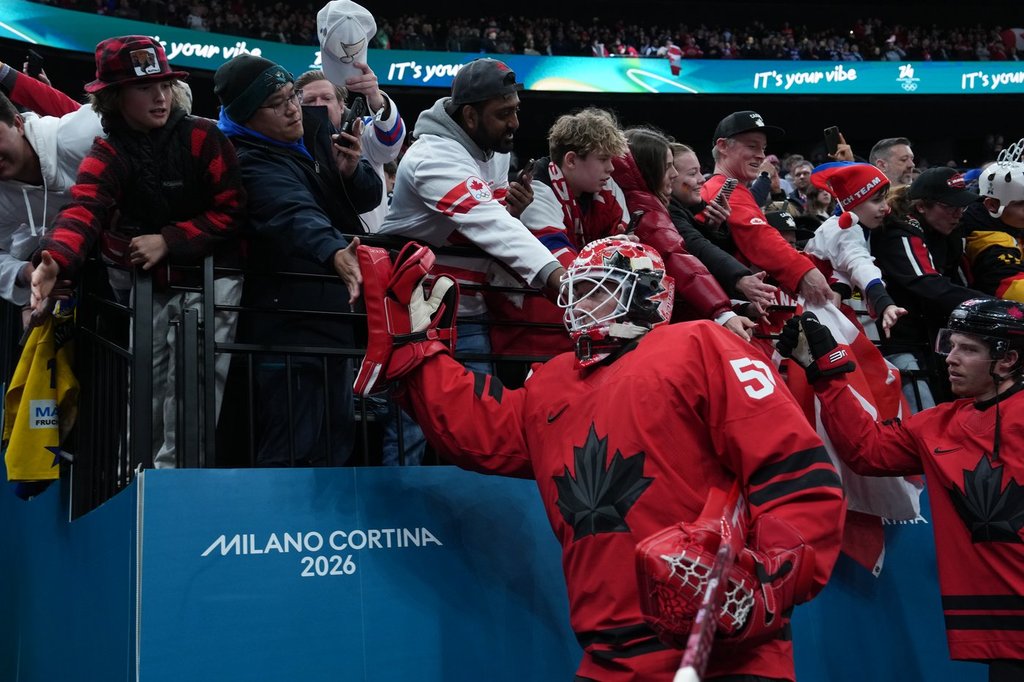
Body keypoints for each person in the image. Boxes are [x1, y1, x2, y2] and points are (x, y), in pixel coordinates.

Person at [358, 235, 845, 681]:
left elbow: (796, 474)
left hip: (724, 648)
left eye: (598, 289)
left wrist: (768, 579)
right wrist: (422, 355)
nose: (579, 305)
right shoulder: (550, 382)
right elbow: (479, 432)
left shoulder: (699, 343)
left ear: (650, 292)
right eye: (575, 292)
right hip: (606, 655)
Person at [779, 298, 1024, 682]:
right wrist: (828, 375)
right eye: (951, 344)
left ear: (1007, 360)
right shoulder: (938, 424)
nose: (950, 358)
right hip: (1006, 630)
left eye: (968, 349)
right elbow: (867, 451)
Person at [31, 36, 245, 469]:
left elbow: (234, 211)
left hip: (211, 278)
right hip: (151, 287)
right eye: (144, 87)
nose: (160, 96)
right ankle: (138, 483)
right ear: (113, 98)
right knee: (144, 391)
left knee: (194, 389)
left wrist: (170, 238)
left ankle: (177, 490)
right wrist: (54, 259)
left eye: (164, 85)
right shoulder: (108, 150)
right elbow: (83, 208)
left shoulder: (203, 135)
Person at [213, 53, 381, 467]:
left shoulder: (308, 133)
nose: (293, 109)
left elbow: (368, 196)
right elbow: (290, 211)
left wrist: (349, 172)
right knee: (292, 456)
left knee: (333, 450)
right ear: (248, 116)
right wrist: (333, 250)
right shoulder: (246, 158)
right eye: (277, 104)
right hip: (289, 332)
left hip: (329, 325)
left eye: (292, 96)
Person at [378, 57, 563, 362]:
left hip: (470, 310)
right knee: (420, 410)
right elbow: (488, 222)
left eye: (516, 109)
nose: (515, 122)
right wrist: (558, 276)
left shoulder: (493, 148)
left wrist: (511, 210)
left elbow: (490, 220)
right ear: (470, 116)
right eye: (503, 113)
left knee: (478, 409)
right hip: (417, 315)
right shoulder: (433, 156)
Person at [487, 106, 630, 358]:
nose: (611, 168)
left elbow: (624, 251)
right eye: (603, 159)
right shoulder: (536, 191)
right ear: (572, 160)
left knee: (635, 331)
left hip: (573, 315)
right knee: (629, 335)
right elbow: (565, 268)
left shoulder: (606, 188)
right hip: (531, 329)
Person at [612, 127, 754, 340]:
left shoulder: (653, 206)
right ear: (649, 170)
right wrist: (723, 312)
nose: (674, 173)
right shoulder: (646, 211)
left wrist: (736, 307)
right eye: (668, 166)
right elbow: (681, 260)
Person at [870, 167, 989, 408]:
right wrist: (992, 306)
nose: (958, 213)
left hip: (937, 340)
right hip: (901, 343)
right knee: (924, 413)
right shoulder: (899, 232)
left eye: (961, 205)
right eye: (949, 206)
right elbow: (928, 285)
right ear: (922, 206)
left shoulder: (949, 232)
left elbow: (957, 283)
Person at [700, 111, 833, 307]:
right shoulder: (722, 188)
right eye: (752, 146)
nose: (761, 155)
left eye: (763, 148)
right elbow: (758, 236)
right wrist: (804, 271)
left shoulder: (732, 188)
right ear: (723, 146)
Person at [0, 81, 102, 311]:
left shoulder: (79, 134)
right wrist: (28, 273)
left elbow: (160, 111)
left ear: (18, 123)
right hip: (94, 284)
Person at [668, 142, 777, 311]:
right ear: (668, 175)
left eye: (699, 170)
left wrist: (713, 229)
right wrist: (739, 278)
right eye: (692, 173)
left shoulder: (692, 209)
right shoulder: (668, 212)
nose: (701, 179)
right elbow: (695, 245)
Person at [294, 68, 404, 234]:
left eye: (326, 98)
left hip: (369, 247)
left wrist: (375, 96)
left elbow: (391, 142)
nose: (318, 105)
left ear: (341, 105)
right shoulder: (291, 142)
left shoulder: (362, 129)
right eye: (309, 101)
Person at [802, 161, 907, 334]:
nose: (885, 208)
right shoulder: (845, 230)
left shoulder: (851, 222)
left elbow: (841, 269)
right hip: (821, 319)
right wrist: (885, 304)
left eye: (884, 199)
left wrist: (840, 288)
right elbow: (860, 265)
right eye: (876, 200)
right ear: (852, 203)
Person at [962, 150, 1024, 301]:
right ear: (992, 205)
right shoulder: (988, 241)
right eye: (1022, 204)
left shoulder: (1011, 224)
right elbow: (1012, 288)